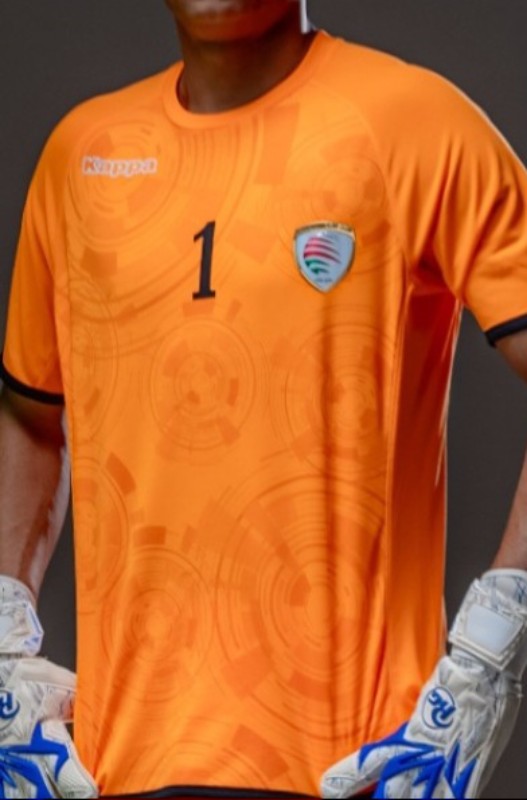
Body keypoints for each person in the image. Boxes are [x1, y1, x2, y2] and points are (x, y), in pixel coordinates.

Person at [0, 0, 526, 798]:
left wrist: (495, 641)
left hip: (355, 771)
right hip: (115, 771)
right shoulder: (84, 152)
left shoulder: (413, 122)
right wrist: (4, 636)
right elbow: (33, 414)